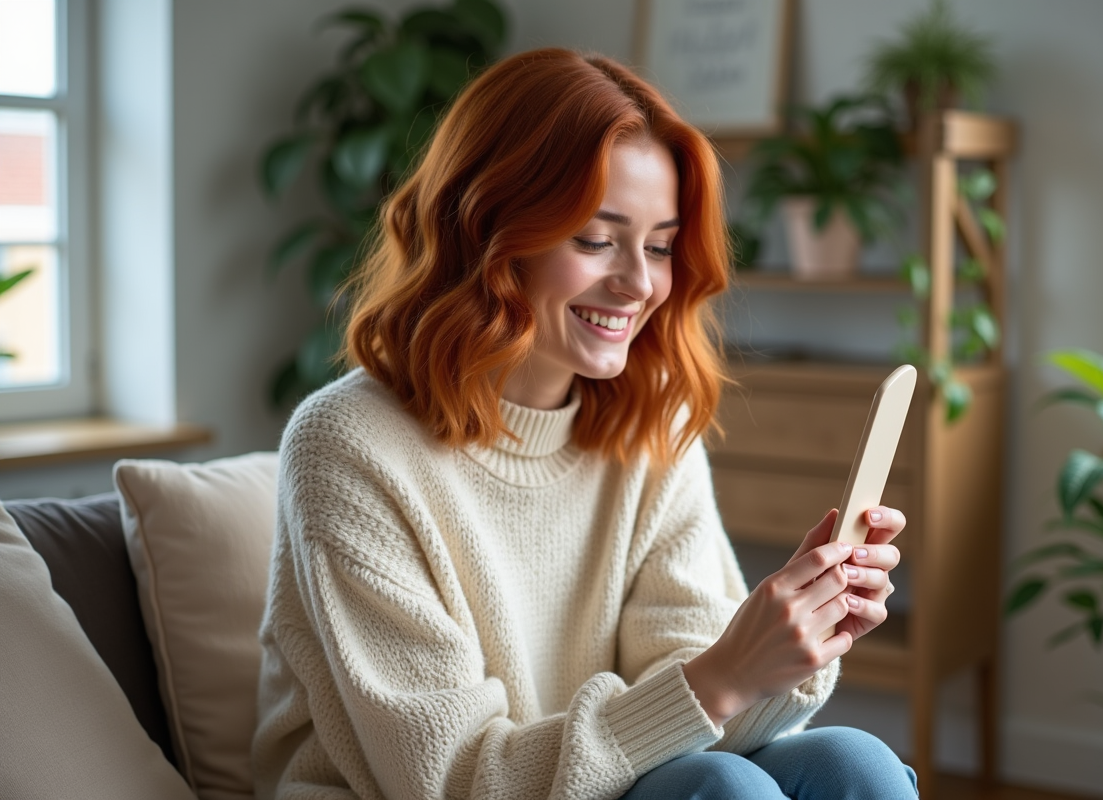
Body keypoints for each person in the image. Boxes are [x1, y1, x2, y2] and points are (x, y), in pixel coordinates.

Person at [252, 47, 919, 800]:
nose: (639, 283)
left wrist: (783, 653)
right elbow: (451, 776)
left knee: (853, 765)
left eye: (659, 246)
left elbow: (695, 703)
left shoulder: (649, 420)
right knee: (722, 792)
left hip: (599, 781)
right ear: (487, 232)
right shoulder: (348, 444)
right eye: (596, 240)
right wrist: (724, 675)